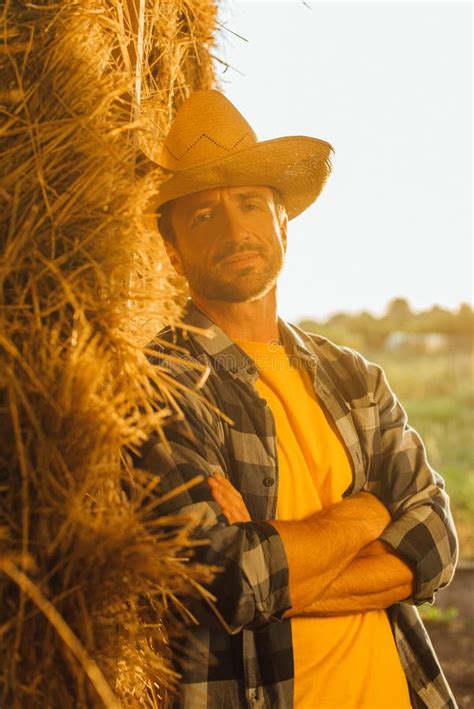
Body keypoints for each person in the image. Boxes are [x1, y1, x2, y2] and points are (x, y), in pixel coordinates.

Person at [137, 90, 458, 708]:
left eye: (251, 204)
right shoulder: (163, 385)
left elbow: (436, 546)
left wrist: (279, 557)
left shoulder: (355, 378)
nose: (236, 230)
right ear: (173, 255)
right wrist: (367, 516)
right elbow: (223, 579)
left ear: (284, 223)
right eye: (204, 216)